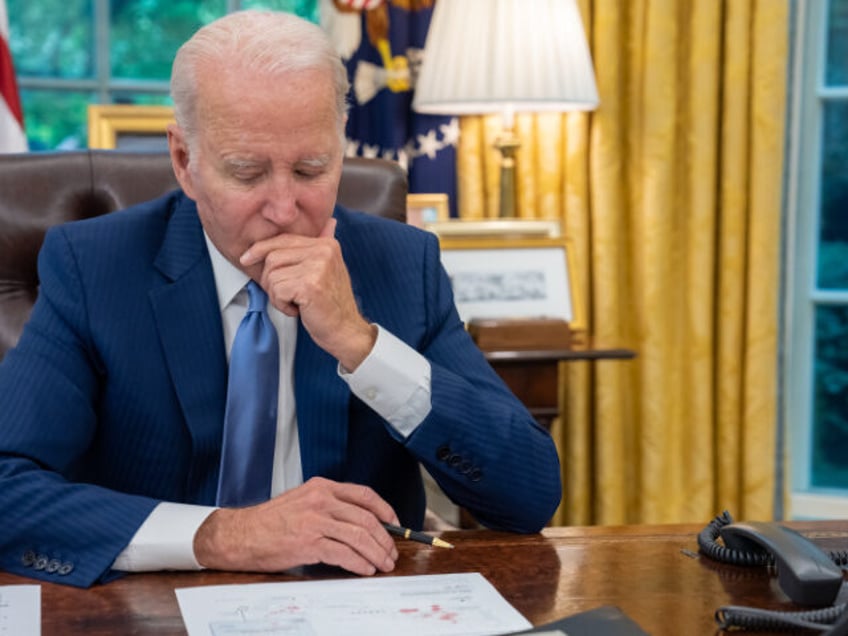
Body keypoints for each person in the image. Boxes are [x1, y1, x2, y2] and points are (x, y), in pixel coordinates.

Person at [0, 10, 561, 589]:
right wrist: (225, 535)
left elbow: (529, 495)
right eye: (247, 172)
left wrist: (361, 344)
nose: (284, 208)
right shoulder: (95, 268)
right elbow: (6, 487)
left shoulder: (401, 266)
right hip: (156, 608)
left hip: (352, 608)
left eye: (311, 168)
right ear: (185, 162)